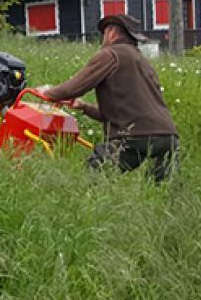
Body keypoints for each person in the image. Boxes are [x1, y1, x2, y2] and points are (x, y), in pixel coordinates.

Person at [38, 14, 178, 182]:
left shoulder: (111, 54)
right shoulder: (142, 60)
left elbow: (75, 87)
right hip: (168, 137)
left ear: (111, 33)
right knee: (159, 191)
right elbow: (121, 114)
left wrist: (48, 93)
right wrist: (84, 107)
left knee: (94, 177)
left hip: (135, 136)